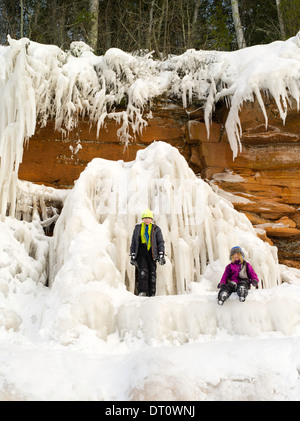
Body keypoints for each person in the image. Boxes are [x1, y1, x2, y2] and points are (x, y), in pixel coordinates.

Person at [130, 209, 166, 296]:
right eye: (145, 218)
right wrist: (133, 254)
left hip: (152, 253)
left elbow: (160, 242)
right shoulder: (137, 228)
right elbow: (134, 241)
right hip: (141, 252)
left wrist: (161, 254)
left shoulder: (156, 229)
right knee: (143, 271)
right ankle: (143, 292)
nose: (147, 219)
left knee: (152, 273)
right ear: (142, 219)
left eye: (149, 218)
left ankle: (152, 293)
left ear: (151, 219)